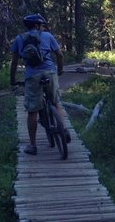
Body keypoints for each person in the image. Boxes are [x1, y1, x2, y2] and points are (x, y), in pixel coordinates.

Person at [10, 13, 70, 155]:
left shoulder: (19, 39)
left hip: (32, 76)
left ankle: (32, 145)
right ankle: (64, 129)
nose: (43, 27)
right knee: (55, 102)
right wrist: (60, 70)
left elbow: (13, 63)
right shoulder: (48, 36)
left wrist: (12, 79)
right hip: (50, 72)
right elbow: (59, 55)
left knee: (32, 111)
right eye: (41, 25)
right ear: (37, 25)